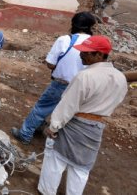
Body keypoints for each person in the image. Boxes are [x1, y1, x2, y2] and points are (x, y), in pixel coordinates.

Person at [38, 35, 127, 195]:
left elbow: (68, 105)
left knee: (55, 159)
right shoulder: (120, 78)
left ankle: (46, 191)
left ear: (99, 55)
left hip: (74, 124)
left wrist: (53, 126)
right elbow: (116, 101)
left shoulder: (84, 76)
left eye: (86, 52)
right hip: (95, 128)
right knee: (81, 168)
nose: (81, 55)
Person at [11, 12, 97, 145]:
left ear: (73, 24)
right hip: (82, 88)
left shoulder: (65, 40)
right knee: (69, 114)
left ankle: (25, 134)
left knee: (41, 108)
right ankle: (57, 140)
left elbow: (50, 64)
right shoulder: (95, 44)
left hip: (61, 83)